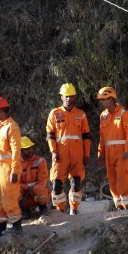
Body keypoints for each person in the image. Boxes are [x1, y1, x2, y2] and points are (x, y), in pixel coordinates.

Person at [46, 83, 90, 215]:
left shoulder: (81, 114)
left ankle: (74, 209)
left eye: (71, 96)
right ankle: (59, 210)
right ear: (61, 97)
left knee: (76, 183)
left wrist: (86, 155)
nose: (69, 99)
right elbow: (50, 135)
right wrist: (53, 151)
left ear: (74, 97)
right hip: (60, 154)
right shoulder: (54, 113)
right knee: (57, 184)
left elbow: (86, 136)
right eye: (66, 96)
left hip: (77, 155)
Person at [0, 97, 22, 243]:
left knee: (9, 200)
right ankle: (0, 228)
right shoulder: (1, 126)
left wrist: (14, 170)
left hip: (8, 170)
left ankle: (16, 226)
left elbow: (16, 151)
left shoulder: (12, 127)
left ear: (1, 111)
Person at [97, 86, 128, 210]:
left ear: (111, 99)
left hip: (122, 152)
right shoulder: (103, 116)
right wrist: (100, 154)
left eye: (103, 99)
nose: (101, 102)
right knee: (112, 179)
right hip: (108, 153)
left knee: (122, 178)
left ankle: (127, 205)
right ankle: (119, 206)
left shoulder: (124, 113)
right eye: (100, 100)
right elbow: (102, 137)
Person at [19, 136, 50, 218]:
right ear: (20, 151)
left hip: (36, 193)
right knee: (14, 191)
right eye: (27, 149)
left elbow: (42, 181)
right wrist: (27, 189)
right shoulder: (16, 164)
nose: (30, 150)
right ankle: (24, 210)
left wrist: (30, 188)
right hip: (25, 195)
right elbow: (17, 183)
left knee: (39, 188)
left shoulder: (40, 161)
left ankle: (43, 208)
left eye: (31, 148)